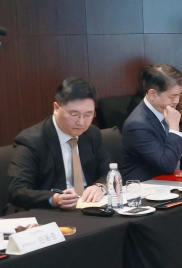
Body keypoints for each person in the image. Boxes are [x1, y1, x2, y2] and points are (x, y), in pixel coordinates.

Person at [7, 78, 111, 211]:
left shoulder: (92, 134)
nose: (81, 122)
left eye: (88, 115)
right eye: (74, 114)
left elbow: (110, 171)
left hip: (87, 208)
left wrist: (100, 186)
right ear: (56, 108)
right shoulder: (31, 140)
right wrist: (54, 199)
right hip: (45, 212)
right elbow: (17, 191)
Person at [120, 65, 182, 181]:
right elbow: (166, 165)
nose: (177, 101)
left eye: (179, 95)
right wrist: (174, 127)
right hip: (146, 185)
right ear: (152, 94)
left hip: (169, 181)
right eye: (172, 96)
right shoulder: (137, 125)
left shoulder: (165, 110)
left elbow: (177, 143)